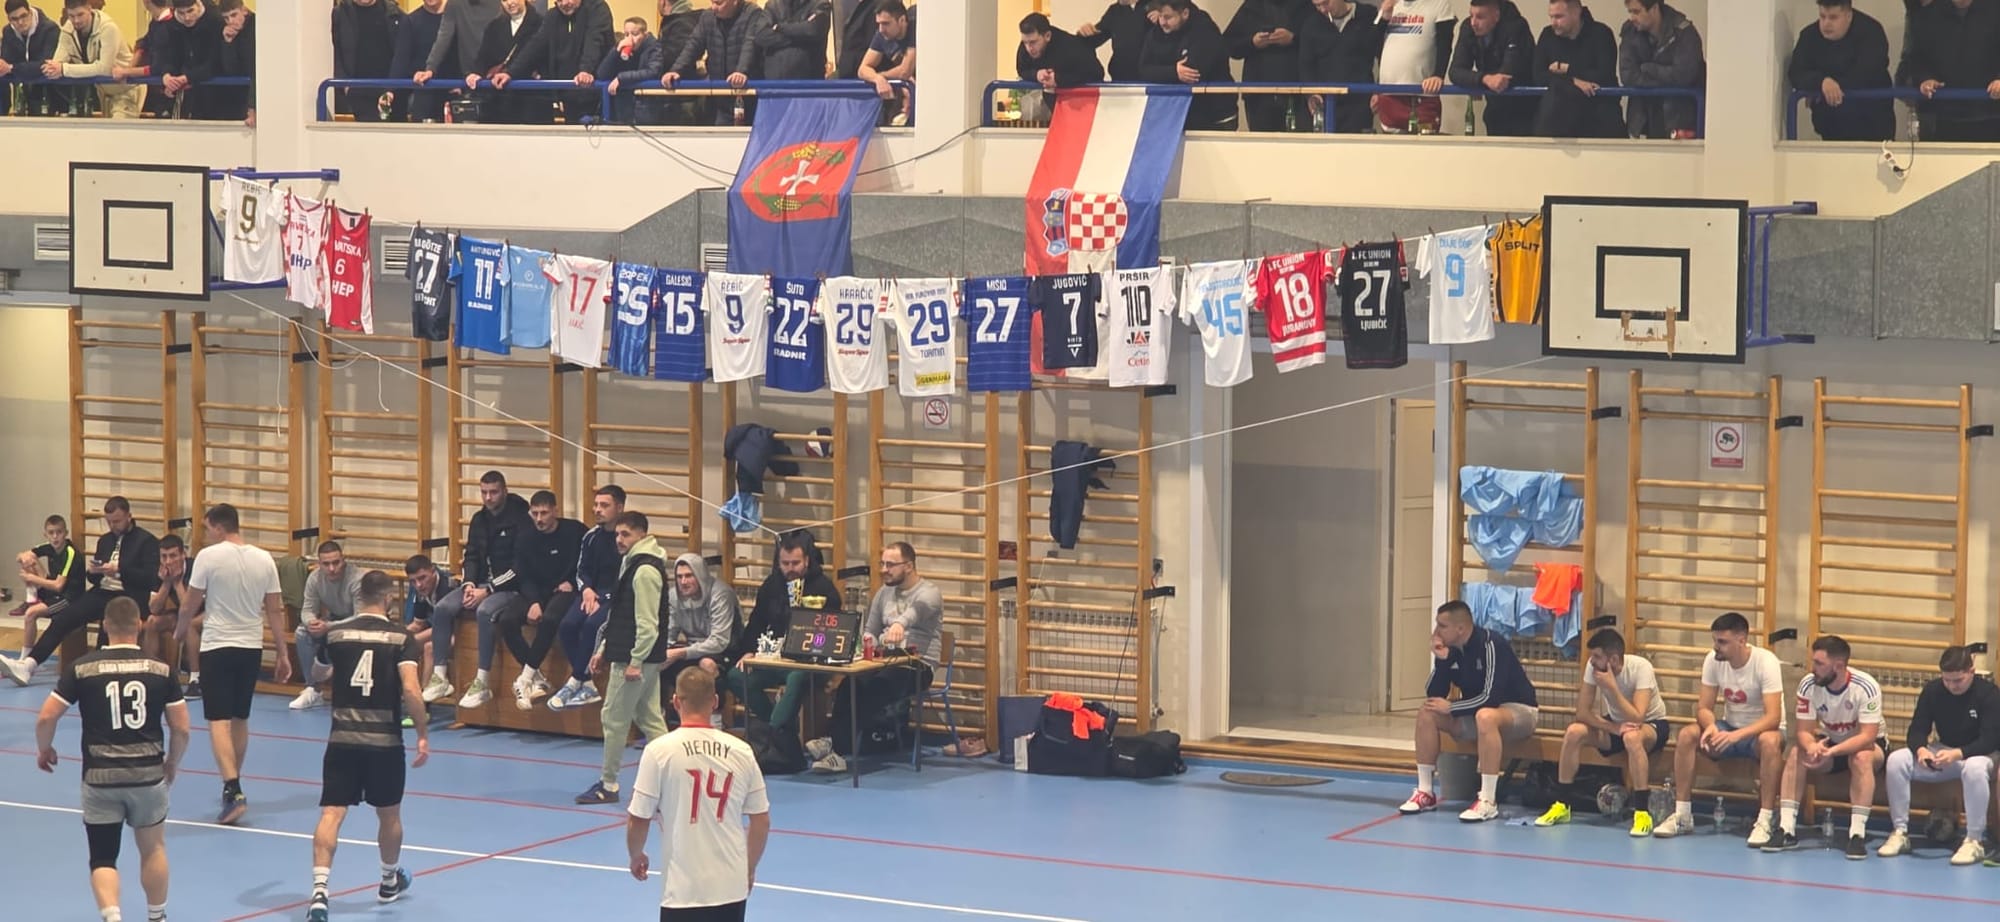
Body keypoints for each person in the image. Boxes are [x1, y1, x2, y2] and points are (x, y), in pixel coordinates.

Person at [33, 598, 188, 922]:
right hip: (148, 775)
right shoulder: (161, 670)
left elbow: (46, 717)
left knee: (103, 858)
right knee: (153, 848)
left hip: (100, 777)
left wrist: (45, 749)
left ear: (105, 626)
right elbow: (181, 728)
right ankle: (157, 916)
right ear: (140, 625)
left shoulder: (82, 668)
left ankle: (113, 915)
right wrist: (172, 762)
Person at [303, 570, 430, 922]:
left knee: (331, 814)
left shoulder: (336, 634)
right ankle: (388, 881)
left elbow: (318, 675)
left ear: (359, 597)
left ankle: (319, 892)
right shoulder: (402, 637)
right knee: (389, 814)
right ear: (388, 599)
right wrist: (422, 732)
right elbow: (411, 689)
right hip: (385, 742)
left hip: (342, 739)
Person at [626, 669, 770, 922]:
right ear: (715, 701)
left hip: (683, 890)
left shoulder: (659, 751)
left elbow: (639, 818)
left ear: (675, 702)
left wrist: (636, 854)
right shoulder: (742, 751)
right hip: (730, 888)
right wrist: (748, 868)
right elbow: (761, 821)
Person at [177, 503, 288, 826]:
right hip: (250, 647)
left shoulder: (208, 557)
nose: (207, 534)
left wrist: (180, 630)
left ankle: (232, 787)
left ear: (217, 526)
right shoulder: (264, 558)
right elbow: (275, 610)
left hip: (218, 646)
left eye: (207, 528)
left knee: (217, 719)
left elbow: (189, 603)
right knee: (240, 717)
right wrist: (282, 652)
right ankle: (233, 785)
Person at [1400, 598, 1540, 822]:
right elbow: (1434, 694)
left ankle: (1488, 801)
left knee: (1486, 716)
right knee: (1428, 712)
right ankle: (1425, 791)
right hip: (1477, 714)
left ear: (1460, 628)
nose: (1436, 631)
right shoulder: (1453, 650)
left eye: (1442, 626)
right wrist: (1442, 661)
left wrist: (1452, 707)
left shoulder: (1491, 644)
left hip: (1518, 712)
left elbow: (1490, 697)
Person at [1653, 611, 1785, 843]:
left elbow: (1773, 717)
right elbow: (1704, 707)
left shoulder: (1766, 662)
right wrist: (1711, 726)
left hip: (1759, 733)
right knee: (1688, 734)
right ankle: (1682, 815)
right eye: (1714, 640)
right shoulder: (1712, 660)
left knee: (1770, 741)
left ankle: (1765, 819)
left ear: (1742, 640)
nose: (1716, 647)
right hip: (1729, 727)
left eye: (1722, 642)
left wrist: (1736, 736)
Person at [808, 542, 940, 774]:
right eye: (882, 564)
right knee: (850, 684)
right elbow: (870, 629)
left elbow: (916, 611)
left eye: (890, 565)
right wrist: (868, 641)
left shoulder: (929, 593)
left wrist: (899, 624)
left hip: (917, 666)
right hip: (883, 660)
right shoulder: (883, 593)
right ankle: (834, 742)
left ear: (909, 566)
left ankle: (838, 750)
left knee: (876, 689)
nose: (884, 569)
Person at [2, 497, 161, 687]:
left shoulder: (146, 541)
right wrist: (94, 572)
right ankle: (28, 665)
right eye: (109, 521)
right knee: (64, 618)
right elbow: (93, 578)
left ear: (129, 516)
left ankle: (102, 675)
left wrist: (119, 571)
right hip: (102, 591)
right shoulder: (105, 540)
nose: (112, 526)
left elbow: (151, 578)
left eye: (117, 521)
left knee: (108, 628)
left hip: (129, 596)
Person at [1535, 628, 1669, 835]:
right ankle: (1562, 804)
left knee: (1632, 738)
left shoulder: (1641, 667)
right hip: (1617, 724)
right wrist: (1614, 728)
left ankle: (1642, 812)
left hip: (1651, 724)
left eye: (1597, 656)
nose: (1592, 661)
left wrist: (1612, 688)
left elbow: (1637, 717)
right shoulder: (1593, 667)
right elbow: (1582, 712)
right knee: (1574, 732)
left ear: (1613, 659)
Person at [577, 511, 671, 805]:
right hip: (631, 654)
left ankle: (609, 784)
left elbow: (648, 625)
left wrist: (635, 662)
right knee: (650, 719)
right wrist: (602, 649)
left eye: (625, 534)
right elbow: (621, 614)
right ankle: (673, 783)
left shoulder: (645, 572)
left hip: (635, 659)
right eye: (617, 534)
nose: (618, 539)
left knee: (613, 718)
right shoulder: (632, 564)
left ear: (642, 534)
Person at [1881, 644, 1999, 864]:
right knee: (1897, 760)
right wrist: (1921, 750)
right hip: (1944, 751)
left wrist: (1959, 753)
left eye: (1958, 680)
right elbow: (1917, 730)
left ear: (1971, 672)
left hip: (1982, 754)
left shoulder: (1989, 694)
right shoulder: (1933, 690)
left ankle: (1974, 840)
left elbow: (1990, 739)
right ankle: (1899, 831)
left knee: (1974, 768)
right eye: (1947, 680)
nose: (1952, 686)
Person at [1767, 635, 1883, 856]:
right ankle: (1786, 829)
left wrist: (1833, 751)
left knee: (1861, 758)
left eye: (1819, 663)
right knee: (1796, 753)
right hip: (1829, 742)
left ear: (1838, 666)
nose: (1813, 668)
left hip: (1866, 745)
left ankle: (1857, 834)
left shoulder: (1866, 687)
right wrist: (1812, 747)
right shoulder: (1808, 685)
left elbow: (1868, 737)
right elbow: (1803, 731)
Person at [424, 470, 531, 708]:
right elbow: (471, 555)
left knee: (484, 611)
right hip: (481, 583)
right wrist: (469, 584)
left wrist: (489, 590)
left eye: (494, 492)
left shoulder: (521, 519)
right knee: (443, 608)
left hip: (509, 588)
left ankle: (482, 681)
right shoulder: (479, 520)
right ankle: (440, 676)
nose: (488, 497)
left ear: (504, 491)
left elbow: (520, 566)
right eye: (484, 492)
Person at [722, 531, 836, 734]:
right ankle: (778, 728)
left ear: (807, 560)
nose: (790, 568)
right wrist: (749, 651)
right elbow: (757, 621)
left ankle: (775, 731)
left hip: (809, 662)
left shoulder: (824, 588)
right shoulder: (771, 585)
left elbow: (832, 631)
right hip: (775, 657)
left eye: (795, 563)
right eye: (785, 563)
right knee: (736, 676)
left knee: (797, 678)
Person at [504, 490, 585, 709]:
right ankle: (536, 676)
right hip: (536, 590)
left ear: (555, 511)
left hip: (565, 590)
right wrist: (533, 602)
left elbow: (587, 563)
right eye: (535, 513)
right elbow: (523, 576)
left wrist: (573, 582)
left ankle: (524, 679)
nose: (539, 519)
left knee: (550, 619)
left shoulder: (575, 531)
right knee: (507, 619)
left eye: (544, 513)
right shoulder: (525, 537)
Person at [552, 485, 624, 710]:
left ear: (619, 508)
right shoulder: (591, 537)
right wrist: (586, 590)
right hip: (591, 593)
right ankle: (586, 682)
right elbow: (581, 570)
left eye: (604, 505)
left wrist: (603, 597)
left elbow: (626, 577)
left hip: (615, 597)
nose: (598, 509)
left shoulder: (624, 539)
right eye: (596, 505)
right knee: (567, 626)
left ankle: (575, 680)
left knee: (592, 625)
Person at [1788, 0, 1894, 142]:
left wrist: (1829, 86)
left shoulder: (1871, 32)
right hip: (1831, 127)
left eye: (1833, 17)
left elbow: (1867, 73)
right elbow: (1795, 72)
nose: (1826, 23)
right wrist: (1821, 82)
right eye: (1822, 16)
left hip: (1874, 125)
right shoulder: (1809, 36)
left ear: (1849, 16)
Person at [496, 0, 614, 124]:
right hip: (569, 94)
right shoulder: (553, 16)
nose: (564, 3)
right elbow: (535, 46)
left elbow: (594, 41)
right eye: (559, 0)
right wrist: (510, 73)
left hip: (599, 91)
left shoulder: (597, 9)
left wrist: (586, 70)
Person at [1897, 0, 2000, 141]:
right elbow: (1917, 58)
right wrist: (1925, 79)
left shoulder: (1995, 11)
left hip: (1991, 114)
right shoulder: (1927, 16)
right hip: (1942, 117)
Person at [660, 552, 739, 725]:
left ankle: (714, 722)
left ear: (700, 575)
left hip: (725, 650)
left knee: (707, 664)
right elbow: (669, 633)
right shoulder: (673, 596)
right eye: (679, 577)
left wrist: (680, 653)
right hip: (691, 648)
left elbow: (719, 641)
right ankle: (659, 720)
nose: (683, 581)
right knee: (657, 662)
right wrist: (661, 654)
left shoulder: (721, 594)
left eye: (689, 576)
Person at [663, 0, 768, 126]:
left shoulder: (753, 13)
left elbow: (750, 44)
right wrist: (676, 70)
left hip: (749, 95)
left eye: (718, 3)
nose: (713, 7)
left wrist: (741, 71)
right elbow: (693, 44)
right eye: (712, 2)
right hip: (719, 98)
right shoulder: (708, 17)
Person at [1140, 0, 1235, 132]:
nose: (1162, 22)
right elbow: (1143, 69)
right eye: (1160, 16)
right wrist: (1174, 71)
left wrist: (1161, 71)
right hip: (1177, 114)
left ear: (1185, 13)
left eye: (1168, 17)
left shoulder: (1204, 28)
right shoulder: (1157, 32)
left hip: (1215, 113)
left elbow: (1192, 73)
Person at [290, 541, 363, 711]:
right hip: (332, 621)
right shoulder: (314, 578)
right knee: (302, 633)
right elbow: (307, 610)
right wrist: (311, 623)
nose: (332, 568)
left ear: (343, 560)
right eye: (326, 564)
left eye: (336, 563)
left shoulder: (357, 579)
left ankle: (352, 693)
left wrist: (328, 626)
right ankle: (313, 689)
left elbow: (360, 617)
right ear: (319, 563)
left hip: (356, 625)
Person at [1533, 0, 1622, 138]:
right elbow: (1538, 76)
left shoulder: (1601, 33)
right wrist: (1572, 81)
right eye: (1551, 17)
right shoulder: (1547, 35)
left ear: (1576, 13)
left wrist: (1567, 69)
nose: (1553, 22)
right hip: (1559, 123)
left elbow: (1604, 75)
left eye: (1559, 16)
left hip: (1599, 122)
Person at [1447, 0, 1536, 136]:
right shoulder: (1468, 27)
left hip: (1526, 110)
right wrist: (1483, 79)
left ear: (1496, 16)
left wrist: (1476, 80)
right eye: (1471, 15)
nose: (1473, 22)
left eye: (1480, 17)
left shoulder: (1516, 26)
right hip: (1495, 110)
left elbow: (1504, 77)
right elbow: (1455, 72)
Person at [1616, 0, 1701, 139]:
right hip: (1643, 122)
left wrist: (1649, 68)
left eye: (1636, 12)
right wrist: (1666, 77)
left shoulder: (1684, 32)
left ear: (1654, 8)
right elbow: (1628, 76)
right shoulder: (1630, 32)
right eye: (1630, 12)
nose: (1632, 18)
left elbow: (1684, 76)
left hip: (1679, 120)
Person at [47, 0, 144, 118]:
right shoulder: (68, 28)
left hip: (127, 89)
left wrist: (64, 69)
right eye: (71, 16)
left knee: (118, 129)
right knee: (105, 130)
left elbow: (104, 69)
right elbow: (57, 62)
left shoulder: (108, 28)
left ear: (89, 9)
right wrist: (52, 68)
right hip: (104, 92)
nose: (76, 20)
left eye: (80, 15)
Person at [1298, 0, 1381, 135]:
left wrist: (1379, 89)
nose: (1322, 9)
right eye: (1317, 6)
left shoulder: (1368, 16)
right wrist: (1311, 93)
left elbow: (1384, 54)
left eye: (1326, 3)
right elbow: (1305, 66)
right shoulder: (1311, 24)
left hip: (1359, 104)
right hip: (1325, 106)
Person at [1373, 0, 1453, 133]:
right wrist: (1384, 18)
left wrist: (1438, 75)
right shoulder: (1392, 5)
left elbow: (1445, 44)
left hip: (1422, 94)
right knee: (1390, 144)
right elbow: (1373, 48)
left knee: (1424, 143)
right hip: (1389, 94)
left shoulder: (1439, 4)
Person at [1225, 0, 1306, 132]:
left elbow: (1319, 43)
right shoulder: (1252, 5)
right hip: (1258, 95)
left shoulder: (1304, 5)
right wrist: (1252, 42)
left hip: (1296, 93)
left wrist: (1293, 38)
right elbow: (1229, 45)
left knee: (1296, 141)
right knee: (1261, 142)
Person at [12, 513, 84, 662]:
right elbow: (21, 555)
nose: (55, 537)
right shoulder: (49, 547)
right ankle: (31, 596)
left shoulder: (70, 553)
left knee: (30, 614)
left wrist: (32, 578)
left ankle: (24, 660)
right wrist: (23, 557)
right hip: (53, 590)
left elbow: (58, 586)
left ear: (66, 533)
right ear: (46, 534)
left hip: (68, 597)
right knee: (30, 558)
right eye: (51, 533)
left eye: (59, 532)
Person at [137, 535, 200, 694]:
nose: (168, 561)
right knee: (152, 621)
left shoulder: (194, 568)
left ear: (183, 554)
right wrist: (166, 583)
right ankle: (152, 673)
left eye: (173, 556)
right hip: (182, 613)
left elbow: (190, 608)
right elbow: (154, 608)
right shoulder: (160, 570)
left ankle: (195, 680)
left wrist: (177, 583)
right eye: (164, 556)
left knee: (189, 624)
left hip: (204, 612)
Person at [331, 0, 403, 123]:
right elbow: (336, 53)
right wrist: (345, 86)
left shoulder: (394, 12)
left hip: (390, 90)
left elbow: (401, 54)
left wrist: (391, 88)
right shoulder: (341, 13)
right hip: (357, 91)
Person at [153, 0, 225, 120]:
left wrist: (188, 77)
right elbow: (171, 56)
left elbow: (216, 62)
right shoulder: (173, 25)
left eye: (190, 11)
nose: (186, 17)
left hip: (218, 94)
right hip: (190, 94)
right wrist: (167, 75)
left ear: (198, 5)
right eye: (181, 13)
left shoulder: (215, 20)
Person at [401, 554, 464, 687]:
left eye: (422, 578)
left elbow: (449, 627)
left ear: (433, 571)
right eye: (413, 581)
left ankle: (425, 694)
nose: (418, 585)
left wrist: (412, 639)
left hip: (463, 632)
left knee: (429, 647)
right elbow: (418, 624)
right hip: (443, 632)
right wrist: (396, 634)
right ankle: (404, 688)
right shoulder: (420, 590)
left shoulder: (449, 586)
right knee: (402, 643)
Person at [1017, 11, 1103, 96]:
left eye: (1033, 42)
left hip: (1079, 99)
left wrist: (1058, 79)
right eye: (1025, 42)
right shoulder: (1026, 45)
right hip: (1051, 98)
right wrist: (1036, 74)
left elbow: (1096, 72)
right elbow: (1022, 70)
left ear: (1047, 36)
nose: (1029, 48)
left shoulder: (1069, 46)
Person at [856, 0, 914, 124]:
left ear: (902, 20)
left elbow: (905, 71)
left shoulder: (914, 29)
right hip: (907, 93)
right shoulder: (881, 36)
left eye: (886, 23)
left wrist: (881, 75)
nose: (881, 29)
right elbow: (862, 69)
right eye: (879, 24)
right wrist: (877, 79)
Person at [1, 0, 63, 116]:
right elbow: (5, 63)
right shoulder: (8, 31)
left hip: (52, 95)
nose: (20, 22)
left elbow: (45, 64)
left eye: (23, 16)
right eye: (14, 19)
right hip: (25, 96)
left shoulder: (50, 29)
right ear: (9, 19)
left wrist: (12, 68)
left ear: (30, 12)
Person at [600, 16, 665, 124]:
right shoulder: (622, 48)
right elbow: (602, 74)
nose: (630, 39)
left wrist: (621, 78)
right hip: (623, 109)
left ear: (645, 34)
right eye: (626, 34)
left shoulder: (654, 47)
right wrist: (616, 51)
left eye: (634, 34)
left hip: (646, 109)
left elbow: (653, 71)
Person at [756, 0, 830, 82]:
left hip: (810, 80)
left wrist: (780, 27)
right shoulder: (772, 5)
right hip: (774, 81)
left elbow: (813, 29)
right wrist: (799, 36)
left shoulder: (820, 4)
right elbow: (761, 35)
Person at [1077, 0, 1147, 81]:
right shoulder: (1114, 10)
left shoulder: (1154, 6)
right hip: (1121, 75)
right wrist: (1084, 33)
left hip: (1149, 77)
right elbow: (1095, 38)